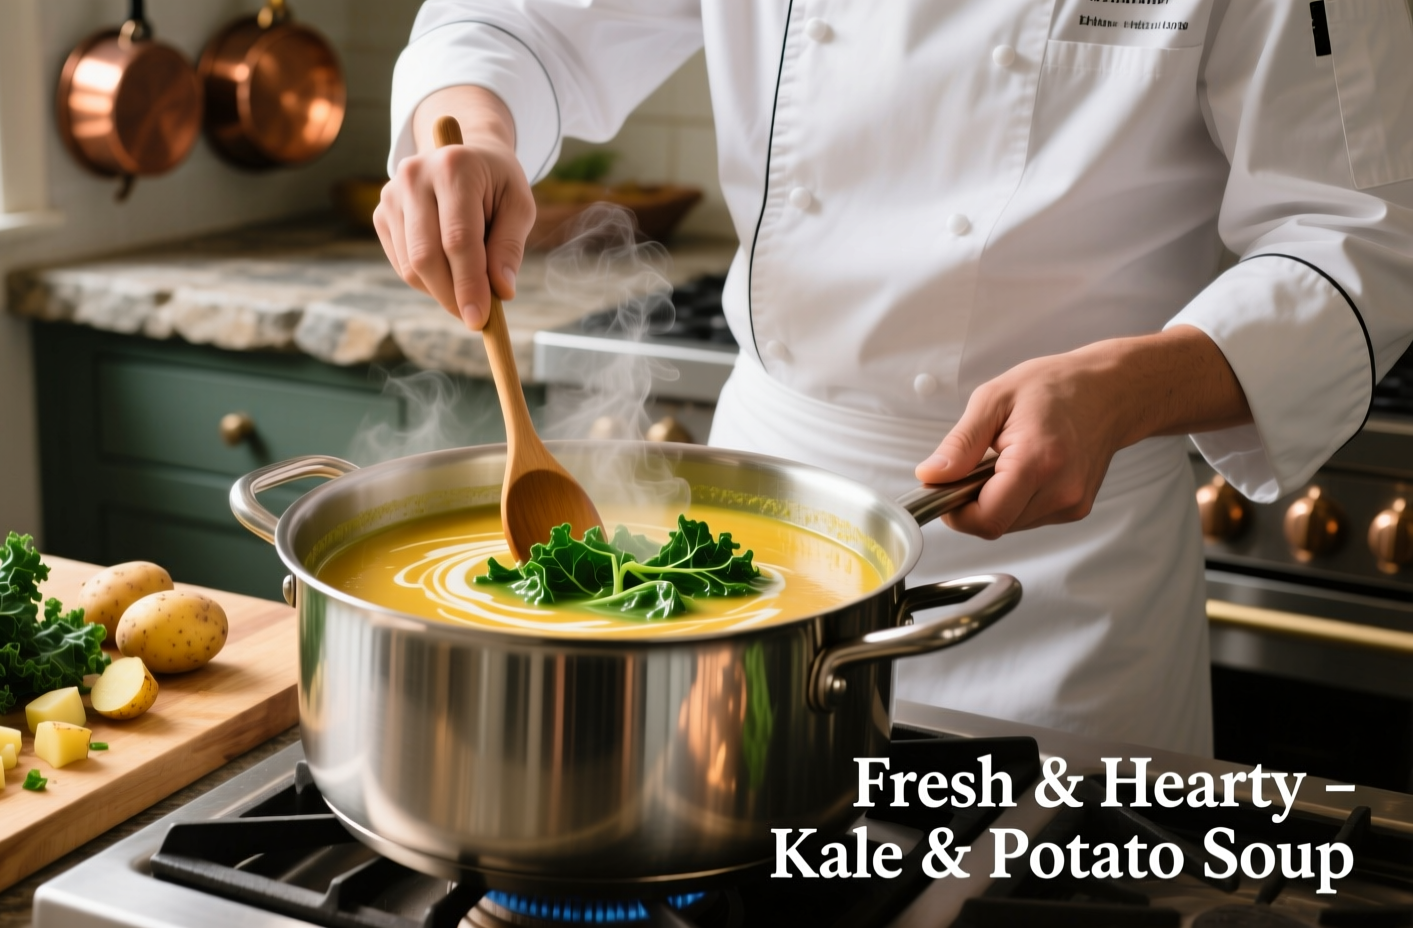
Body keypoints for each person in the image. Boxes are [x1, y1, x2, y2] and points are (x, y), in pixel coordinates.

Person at [372, 1, 1413, 754]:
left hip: (1059, 571)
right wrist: (469, 138)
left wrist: (1127, 386)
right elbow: (510, 30)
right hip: (756, 561)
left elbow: (1360, 234)